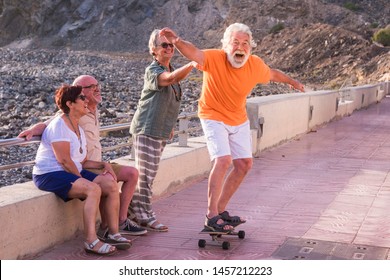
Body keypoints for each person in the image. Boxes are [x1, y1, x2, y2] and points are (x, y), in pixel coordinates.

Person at [160, 23, 305, 232]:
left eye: (245, 43)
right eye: (235, 42)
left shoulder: (254, 65)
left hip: (238, 118)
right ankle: (211, 216)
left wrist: (293, 82)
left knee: (244, 164)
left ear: (250, 48)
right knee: (223, 160)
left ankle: (220, 210)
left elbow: (273, 74)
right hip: (212, 115)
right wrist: (177, 42)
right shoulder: (214, 58)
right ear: (226, 45)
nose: (240, 47)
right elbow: (195, 53)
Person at [18, 75, 147, 237]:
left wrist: (103, 164)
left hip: (92, 162)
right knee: (107, 185)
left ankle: (120, 223)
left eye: (97, 85)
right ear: (80, 93)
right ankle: (103, 230)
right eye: (91, 86)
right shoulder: (70, 112)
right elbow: (47, 125)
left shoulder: (92, 109)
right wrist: (31, 130)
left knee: (132, 173)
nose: (97, 88)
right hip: (80, 168)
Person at [32, 84, 131, 255]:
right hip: (50, 174)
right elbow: (63, 160)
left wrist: (103, 165)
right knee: (93, 189)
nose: (87, 101)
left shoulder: (78, 127)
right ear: (70, 104)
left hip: (69, 169)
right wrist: (83, 181)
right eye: (82, 98)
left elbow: (82, 161)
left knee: (110, 184)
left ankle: (113, 233)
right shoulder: (59, 125)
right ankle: (91, 241)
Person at [128, 29, 196, 232]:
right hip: (146, 129)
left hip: (159, 131)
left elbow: (168, 101)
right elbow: (169, 80)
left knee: (149, 174)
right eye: (163, 45)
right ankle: (144, 216)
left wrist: (170, 127)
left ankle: (133, 213)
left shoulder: (169, 67)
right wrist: (192, 63)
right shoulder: (153, 70)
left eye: (171, 45)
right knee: (146, 176)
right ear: (154, 50)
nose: (169, 48)